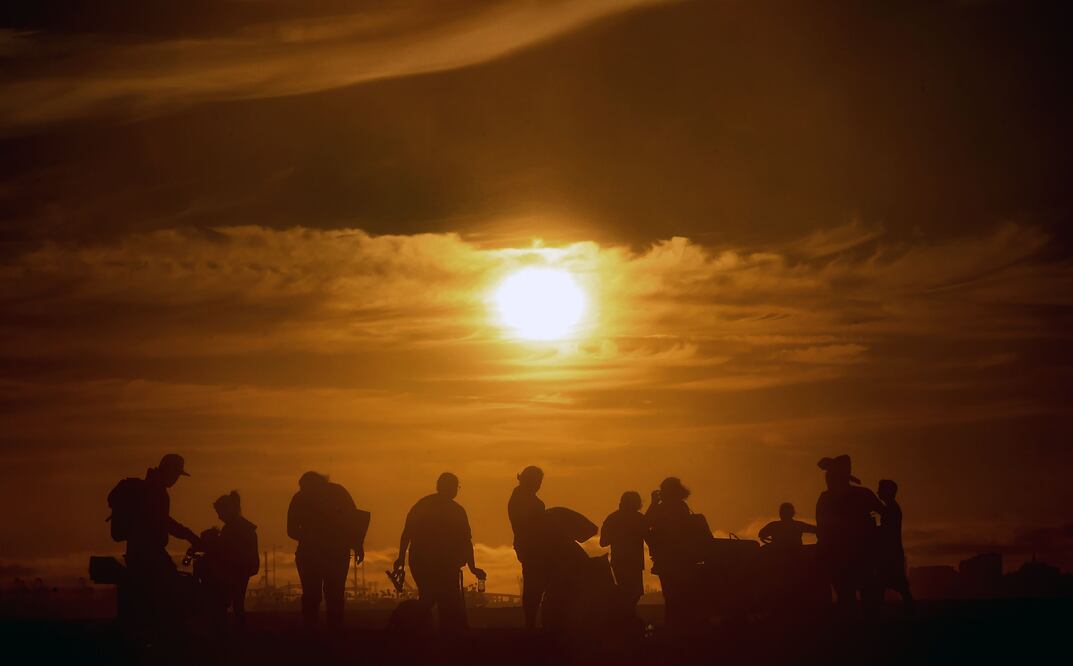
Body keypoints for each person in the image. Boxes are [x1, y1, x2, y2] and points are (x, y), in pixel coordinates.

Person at [107, 454, 201, 634]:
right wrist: (188, 534)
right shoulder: (157, 492)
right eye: (176, 475)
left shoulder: (147, 488)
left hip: (137, 552)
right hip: (149, 554)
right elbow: (164, 522)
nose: (176, 480)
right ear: (169, 471)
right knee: (174, 589)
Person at [393, 473, 486, 634]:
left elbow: (406, 533)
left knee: (429, 596)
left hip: (422, 562)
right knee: (446, 602)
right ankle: (442, 636)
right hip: (445, 564)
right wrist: (473, 567)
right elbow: (466, 541)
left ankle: (416, 631)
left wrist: (401, 558)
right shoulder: (457, 511)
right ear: (452, 488)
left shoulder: (423, 505)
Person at [287, 471, 365, 630]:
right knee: (329, 594)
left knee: (319, 594)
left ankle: (318, 631)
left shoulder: (301, 498)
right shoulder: (336, 493)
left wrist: (310, 537)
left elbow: (291, 530)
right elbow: (354, 521)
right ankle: (328, 630)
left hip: (319, 553)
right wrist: (357, 545)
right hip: (330, 552)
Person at [815, 455, 884, 611]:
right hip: (850, 552)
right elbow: (884, 513)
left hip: (854, 551)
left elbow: (822, 527)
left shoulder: (828, 498)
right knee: (854, 592)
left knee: (852, 592)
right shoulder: (862, 494)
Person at [645, 477, 704, 629]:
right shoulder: (681, 506)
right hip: (683, 558)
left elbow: (646, 524)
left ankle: (675, 628)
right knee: (682, 594)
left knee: (672, 595)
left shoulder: (663, 508)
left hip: (668, 559)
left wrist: (653, 504)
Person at [212, 491, 259, 628]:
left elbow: (225, 551)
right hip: (243, 569)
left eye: (220, 512)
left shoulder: (231, 529)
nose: (219, 516)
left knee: (226, 601)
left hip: (235, 569)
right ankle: (239, 629)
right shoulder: (245, 527)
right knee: (238, 602)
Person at [508, 465, 546, 630]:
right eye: (537, 481)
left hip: (529, 546)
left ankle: (532, 622)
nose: (539, 485)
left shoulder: (519, 497)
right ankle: (531, 623)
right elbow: (529, 524)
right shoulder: (525, 500)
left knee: (534, 584)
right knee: (534, 586)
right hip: (532, 547)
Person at [600, 491, 648, 611]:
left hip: (620, 562)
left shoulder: (612, 518)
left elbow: (603, 542)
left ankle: (624, 616)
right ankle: (625, 616)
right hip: (631, 562)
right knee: (633, 593)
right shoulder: (638, 518)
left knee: (628, 593)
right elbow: (650, 538)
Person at [877, 479, 914, 612]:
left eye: (881, 489)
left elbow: (887, 531)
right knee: (891, 583)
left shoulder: (891, 509)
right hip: (892, 552)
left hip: (890, 553)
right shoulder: (892, 508)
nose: (878, 492)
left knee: (887, 582)